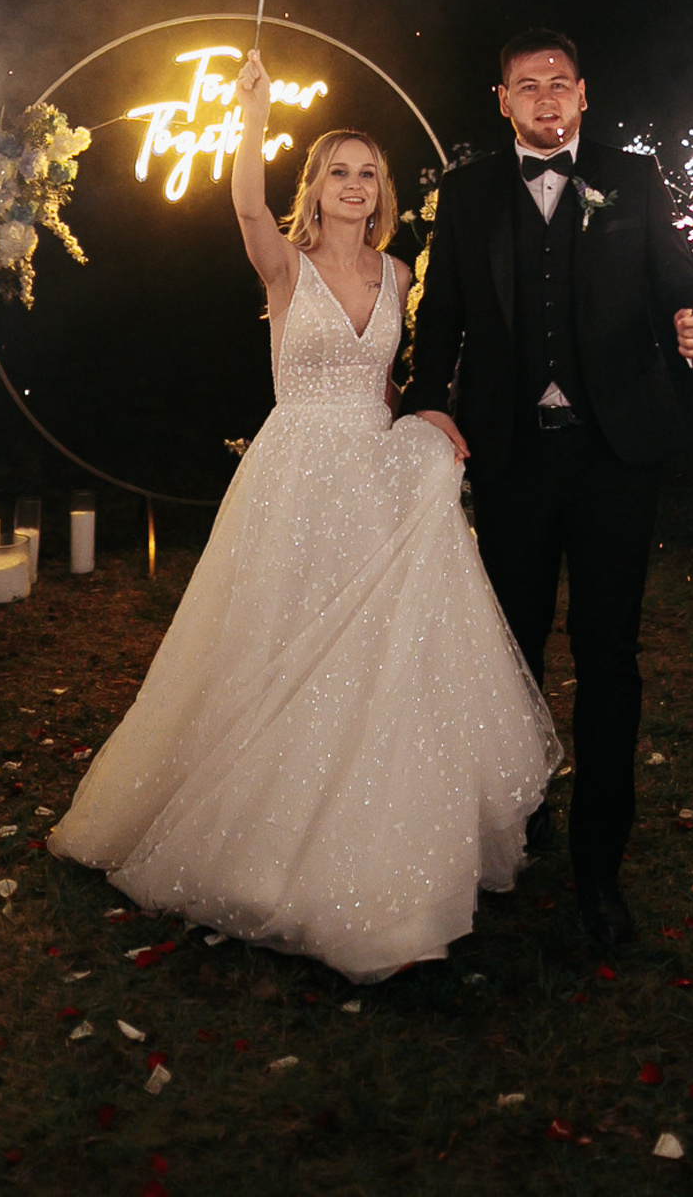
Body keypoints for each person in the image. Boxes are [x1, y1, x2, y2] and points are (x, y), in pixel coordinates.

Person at [50, 54, 562, 980]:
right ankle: (249, 832)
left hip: (372, 465)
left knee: (374, 650)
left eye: (368, 173)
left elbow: (395, 379)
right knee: (279, 640)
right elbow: (246, 204)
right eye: (338, 172)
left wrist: (430, 420)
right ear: (315, 189)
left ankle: (375, 819)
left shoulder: (398, 272)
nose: (354, 185)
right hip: (296, 473)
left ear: (383, 192)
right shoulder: (285, 265)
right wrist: (251, 112)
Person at [405, 29, 693, 947]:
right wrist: (428, 403)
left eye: (560, 83)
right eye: (527, 85)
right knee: (513, 647)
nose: (546, 97)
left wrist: (691, 316)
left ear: (584, 95)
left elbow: (675, 280)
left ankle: (599, 865)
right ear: (502, 100)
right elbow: (443, 311)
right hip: (511, 457)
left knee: (609, 654)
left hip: (614, 456)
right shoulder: (466, 191)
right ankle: (519, 815)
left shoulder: (634, 177)